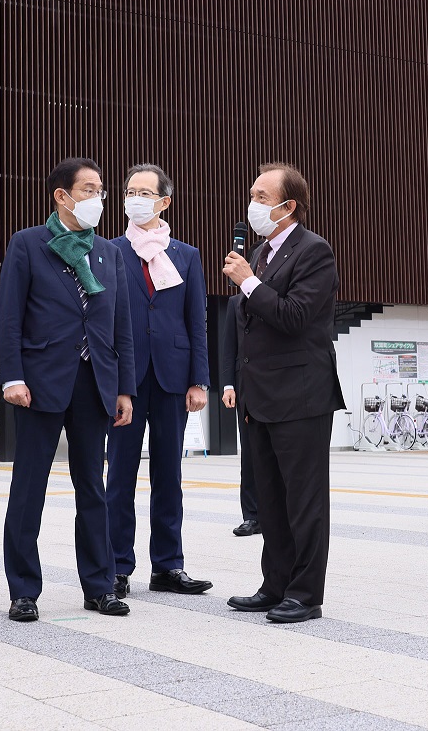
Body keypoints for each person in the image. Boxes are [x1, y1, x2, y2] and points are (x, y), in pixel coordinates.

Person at [0, 157, 135, 622]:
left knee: (92, 490)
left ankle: (99, 585)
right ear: (62, 195)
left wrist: (125, 390)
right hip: (39, 383)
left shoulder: (109, 253)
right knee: (29, 487)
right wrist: (12, 376)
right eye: (90, 189)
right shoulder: (28, 244)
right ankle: (23, 590)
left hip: (94, 380)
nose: (100, 198)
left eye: (101, 189)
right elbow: (10, 317)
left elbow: (121, 327)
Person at [222, 162, 345, 624]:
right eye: (252, 194)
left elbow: (294, 316)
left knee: (304, 500)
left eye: (261, 196)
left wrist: (247, 284)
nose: (252, 204)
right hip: (260, 396)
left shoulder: (314, 251)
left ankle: (305, 593)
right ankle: (274, 584)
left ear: (288, 205)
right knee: (269, 498)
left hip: (301, 394)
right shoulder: (256, 254)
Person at [106, 163, 213, 598]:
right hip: (125, 381)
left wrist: (200, 380)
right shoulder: (109, 250)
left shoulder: (186, 255)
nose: (137, 198)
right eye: (131, 190)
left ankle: (168, 566)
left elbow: (197, 321)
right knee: (120, 477)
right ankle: (116, 566)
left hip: (172, 377)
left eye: (146, 192)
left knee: (169, 476)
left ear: (165, 202)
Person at [221, 294, 261, 536]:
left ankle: (276, 514)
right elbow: (229, 347)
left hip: (274, 384)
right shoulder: (235, 303)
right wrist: (228, 385)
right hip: (244, 384)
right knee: (249, 452)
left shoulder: (276, 296)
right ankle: (252, 516)